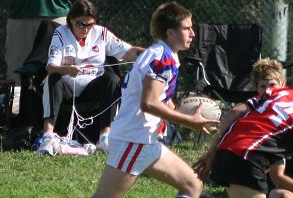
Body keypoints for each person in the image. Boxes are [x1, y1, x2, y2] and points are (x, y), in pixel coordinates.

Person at [93, 2, 219, 198]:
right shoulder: (162, 59)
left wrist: (183, 111)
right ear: (170, 33)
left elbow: (162, 98)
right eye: (186, 28)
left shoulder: (161, 54)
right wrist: (189, 121)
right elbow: (149, 103)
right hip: (134, 140)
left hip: (145, 140)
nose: (192, 33)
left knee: (193, 185)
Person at [36, 0, 145, 154]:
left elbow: (128, 52)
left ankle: (104, 138)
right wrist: (66, 69)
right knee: (52, 78)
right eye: (80, 24)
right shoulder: (61, 33)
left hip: (91, 87)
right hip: (67, 87)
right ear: (71, 20)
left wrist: (151, 54)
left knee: (112, 79)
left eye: (89, 25)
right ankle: (48, 137)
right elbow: (51, 67)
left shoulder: (101, 33)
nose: (85, 29)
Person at [193, 58, 293, 198]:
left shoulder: (273, 98)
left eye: (272, 84)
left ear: (281, 83)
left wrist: (212, 152)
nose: (268, 89)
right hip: (247, 156)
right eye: (263, 86)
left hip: (232, 151)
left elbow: (235, 112)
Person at [5, 0, 73, 114]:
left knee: (61, 67)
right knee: (16, 71)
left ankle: (60, 119)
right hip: (19, 15)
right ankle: (14, 122)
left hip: (58, 12)